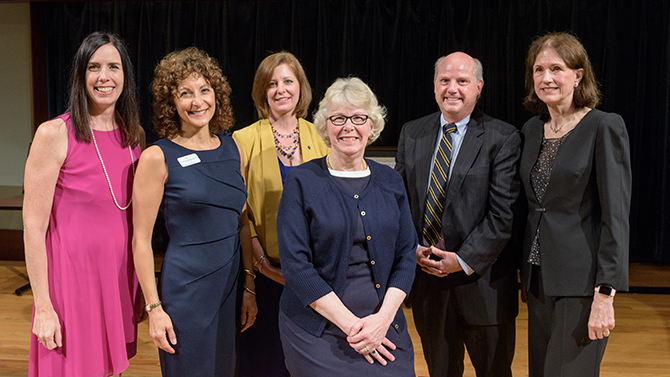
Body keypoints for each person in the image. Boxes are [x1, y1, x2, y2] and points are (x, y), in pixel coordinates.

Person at [277, 77, 417, 376]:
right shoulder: (301, 181)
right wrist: (355, 328)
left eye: (358, 117)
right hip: (318, 329)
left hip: (383, 322)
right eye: (338, 118)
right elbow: (296, 267)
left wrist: (381, 321)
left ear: (372, 125)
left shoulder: (391, 180)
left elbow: (406, 255)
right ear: (325, 127)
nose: (348, 126)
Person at [23, 31, 143, 377]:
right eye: (94, 67)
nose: (104, 77)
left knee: (109, 369)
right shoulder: (54, 134)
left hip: (117, 277)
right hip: (71, 281)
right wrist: (43, 306)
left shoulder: (133, 134)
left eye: (113, 67)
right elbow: (33, 227)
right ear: (80, 75)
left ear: (125, 76)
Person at [132, 47, 257, 376]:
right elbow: (141, 240)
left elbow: (242, 222)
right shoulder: (157, 157)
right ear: (170, 102)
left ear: (217, 94)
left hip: (229, 288)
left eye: (204, 90)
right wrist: (154, 308)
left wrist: (249, 286)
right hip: (186, 290)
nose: (198, 101)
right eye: (185, 93)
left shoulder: (233, 149)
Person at [395, 52, 521, 377]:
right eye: (445, 80)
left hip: (484, 285)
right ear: (434, 85)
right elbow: (400, 204)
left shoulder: (503, 138)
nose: (452, 88)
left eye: (462, 81)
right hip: (428, 287)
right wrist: (413, 249)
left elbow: (502, 216)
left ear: (478, 87)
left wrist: (460, 260)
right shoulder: (412, 133)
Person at [519, 32, 631, 377]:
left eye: (557, 68)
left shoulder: (603, 126)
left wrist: (606, 292)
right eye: (539, 70)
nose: (546, 78)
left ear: (578, 75)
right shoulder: (532, 130)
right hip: (538, 279)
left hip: (582, 284)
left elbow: (616, 215)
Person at [232, 51, 329, 377]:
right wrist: (259, 261)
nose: (281, 89)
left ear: (301, 87)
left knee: (310, 361)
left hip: (316, 275)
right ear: (262, 91)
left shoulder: (322, 135)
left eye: (288, 81)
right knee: (264, 362)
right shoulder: (242, 140)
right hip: (265, 273)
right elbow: (240, 211)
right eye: (272, 83)